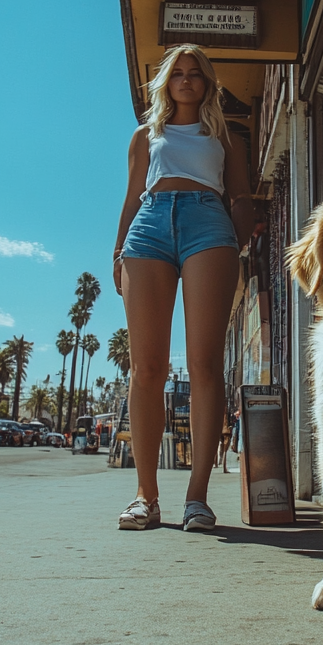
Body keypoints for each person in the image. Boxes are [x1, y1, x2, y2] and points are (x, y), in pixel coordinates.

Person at [113, 43, 254, 531]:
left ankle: (197, 497)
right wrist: (117, 254)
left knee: (203, 365)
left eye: (196, 73)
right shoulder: (145, 137)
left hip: (207, 227)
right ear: (166, 83)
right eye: (179, 73)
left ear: (208, 83)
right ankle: (145, 496)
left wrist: (233, 247)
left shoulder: (228, 137)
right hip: (149, 228)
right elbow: (132, 198)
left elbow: (241, 200)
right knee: (146, 366)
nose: (187, 80)